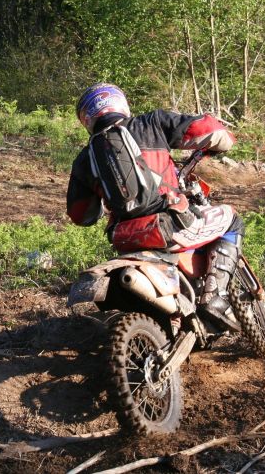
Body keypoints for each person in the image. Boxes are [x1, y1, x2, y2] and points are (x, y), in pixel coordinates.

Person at [66, 83, 243, 324]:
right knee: (231, 219)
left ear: (86, 118)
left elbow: (80, 216)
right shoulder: (151, 123)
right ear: (121, 104)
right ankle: (215, 297)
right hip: (170, 225)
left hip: (125, 238)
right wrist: (224, 140)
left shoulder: (85, 159)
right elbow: (209, 130)